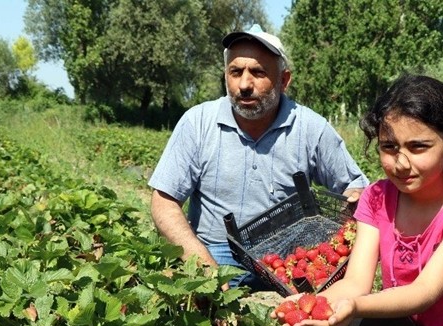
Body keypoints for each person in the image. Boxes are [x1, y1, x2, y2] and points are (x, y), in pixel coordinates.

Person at [275, 74, 443, 326]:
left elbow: (425, 292)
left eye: (418, 147)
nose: (401, 162)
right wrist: (308, 303)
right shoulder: (376, 197)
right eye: (389, 147)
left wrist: (354, 306)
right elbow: (356, 282)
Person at [148, 24, 369, 289]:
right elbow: (164, 202)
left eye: (258, 72)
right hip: (216, 253)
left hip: (289, 260)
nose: (244, 85)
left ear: (284, 80)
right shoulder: (198, 123)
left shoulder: (311, 128)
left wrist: (353, 201)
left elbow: (355, 187)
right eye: (235, 72)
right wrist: (203, 267)